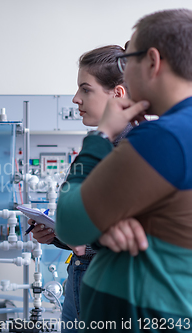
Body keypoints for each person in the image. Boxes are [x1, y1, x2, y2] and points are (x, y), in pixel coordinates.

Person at [56, 8, 192, 330]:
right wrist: (108, 223)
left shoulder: (163, 138)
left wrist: (100, 137)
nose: (124, 73)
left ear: (153, 62)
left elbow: (70, 222)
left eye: (126, 61)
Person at [28, 45, 132, 332]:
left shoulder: (137, 150)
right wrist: (54, 235)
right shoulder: (100, 147)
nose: (75, 99)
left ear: (117, 94)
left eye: (86, 90)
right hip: (81, 278)